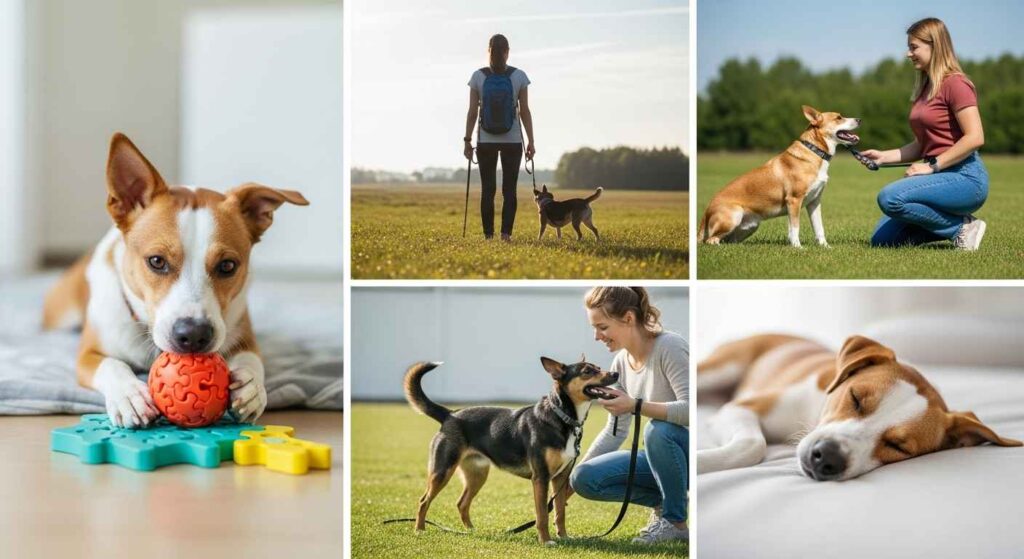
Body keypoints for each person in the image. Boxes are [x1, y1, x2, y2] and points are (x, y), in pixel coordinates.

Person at [570, 287, 689, 544]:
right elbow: (616, 431)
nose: (596, 336)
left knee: (658, 430)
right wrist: (570, 480)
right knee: (583, 478)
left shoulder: (670, 346)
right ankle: (666, 500)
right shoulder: (620, 364)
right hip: (661, 457)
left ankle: (675, 522)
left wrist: (636, 405)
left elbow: (691, 411)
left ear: (628, 319)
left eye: (602, 327)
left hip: (693, 453)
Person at [862, 17, 988, 250]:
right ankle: (956, 226)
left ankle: (960, 229)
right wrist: (882, 157)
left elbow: (975, 137)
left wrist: (931, 167)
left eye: (914, 47)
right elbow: (922, 145)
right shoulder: (926, 88)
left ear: (935, 46)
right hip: (937, 176)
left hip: (966, 177)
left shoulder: (956, 84)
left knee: (889, 198)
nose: (908, 54)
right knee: (883, 241)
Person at [463, 34, 535, 241]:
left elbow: (472, 113)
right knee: (509, 190)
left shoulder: (478, 76)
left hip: (485, 140)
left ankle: (488, 236)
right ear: (507, 52)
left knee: (488, 189)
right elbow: (525, 112)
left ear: (488, 51)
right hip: (513, 140)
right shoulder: (519, 76)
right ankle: (506, 236)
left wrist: (467, 140)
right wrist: (531, 141)